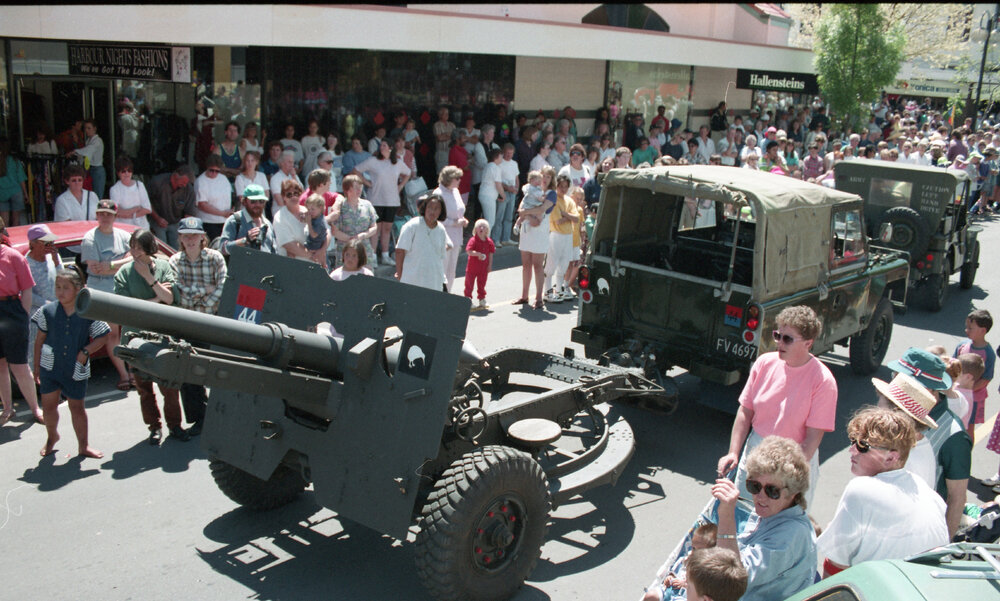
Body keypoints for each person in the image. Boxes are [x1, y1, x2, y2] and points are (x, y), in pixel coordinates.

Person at [717, 305, 836, 506]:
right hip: (756, 452)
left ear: (809, 342)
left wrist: (783, 478)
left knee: (783, 526)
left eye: (787, 339)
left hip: (793, 463)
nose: (779, 342)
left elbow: (812, 439)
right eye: (777, 335)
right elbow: (745, 412)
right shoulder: (764, 363)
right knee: (744, 516)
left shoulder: (823, 381)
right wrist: (733, 452)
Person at [817, 407, 948, 576]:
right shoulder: (927, 492)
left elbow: (835, 563)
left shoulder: (861, 490)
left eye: (862, 446)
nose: (852, 450)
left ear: (891, 458)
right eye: (853, 441)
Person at [712, 436, 817, 601]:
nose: (760, 497)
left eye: (772, 491)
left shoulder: (790, 535)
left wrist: (726, 514)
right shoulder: (773, 512)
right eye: (754, 486)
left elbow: (730, 577)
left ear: (793, 493)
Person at [115, 229, 189, 445]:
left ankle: (174, 425)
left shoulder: (164, 267)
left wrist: (149, 278)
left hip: (163, 336)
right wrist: (156, 299)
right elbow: (127, 308)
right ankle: (154, 427)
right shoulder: (124, 274)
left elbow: (170, 299)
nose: (135, 252)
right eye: (132, 247)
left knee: (170, 387)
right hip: (135, 337)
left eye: (139, 247)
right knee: (144, 389)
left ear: (149, 248)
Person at [888, 347, 969, 540]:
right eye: (895, 376)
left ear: (930, 390)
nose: (894, 383)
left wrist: (940, 547)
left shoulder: (954, 435)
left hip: (917, 534)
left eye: (903, 380)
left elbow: (957, 497)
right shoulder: (895, 413)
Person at [32, 266, 109, 458]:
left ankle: (83, 446)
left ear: (78, 289)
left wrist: (86, 351)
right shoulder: (47, 311)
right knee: (48, 406)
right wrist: (36, 367)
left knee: (77, 407)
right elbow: (39, 340)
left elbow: (103, 336)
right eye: (58, 287)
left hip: (75, 368)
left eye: (65, 287)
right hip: (50, 367)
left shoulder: (88, 312)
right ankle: (52, 436)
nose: (60, 292)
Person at [169, 217, 226, 437]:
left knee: (220, 372)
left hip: (213, 323)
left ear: (203, 236)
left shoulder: (216, 258)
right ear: (180, 238)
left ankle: (221, 416)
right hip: (188, 326)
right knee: (189, 374)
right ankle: (200, 419)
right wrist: (205, 291)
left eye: (194, 235)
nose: (190, 239)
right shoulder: (174, 261)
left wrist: (197, 297)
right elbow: (178, 293)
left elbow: (222, 288)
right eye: (186, 235)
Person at [80, 199, 134, 390]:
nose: (104, 217)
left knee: (128, 331)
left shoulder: (123, 235)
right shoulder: (90, 238)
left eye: (108, 214)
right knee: (112, 333)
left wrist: (112, 265)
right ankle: (124, 375)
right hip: (101, 290)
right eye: (101, 214)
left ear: (114, 216)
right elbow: (96, 268)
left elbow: (134, 257)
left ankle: (134, 372)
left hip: (122, 288)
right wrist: (121, 263)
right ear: (96, 215)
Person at [0, 217, 45, 426]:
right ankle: (8, 408)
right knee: (0, 365)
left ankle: (35, 408)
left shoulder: (13, 256)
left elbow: (26, 289)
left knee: (19, 365)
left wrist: (24, 318)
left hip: (11, 310)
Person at [872, 372, 940, 489]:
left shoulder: (904, 459)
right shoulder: (920, 445)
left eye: (880, 404)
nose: (875, 411)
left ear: (894, 413)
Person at [352, 139, 411, 266]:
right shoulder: (373, 161)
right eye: (381, 145)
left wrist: (400, 186)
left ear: (390, 148)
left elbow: (408, 173)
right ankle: (372, 256)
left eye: (384, 145)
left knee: (387, 228)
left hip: (392, 200)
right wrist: (367, 183)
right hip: (376, 199)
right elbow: (356, 170)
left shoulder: (397, 162)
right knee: (375, 229)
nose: (382, 147)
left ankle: (385, 255)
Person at [514, 166, 557, 309]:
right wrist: (525, 214)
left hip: (540, 231)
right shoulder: (530, 190)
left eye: (548, 177)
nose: (544, 179)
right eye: (542, 175)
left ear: (551, 179)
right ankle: (524, 296)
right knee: (526, 264)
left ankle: (539, 298)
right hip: (527, 230)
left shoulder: (551, 194)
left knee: (538, 265)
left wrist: (526, 212)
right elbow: (520, 209)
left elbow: (541, 209)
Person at [394, 192, 452, 291]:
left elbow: (439, 257)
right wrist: (400, 274)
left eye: (436, 208)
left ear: (441, 211)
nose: (432, 211)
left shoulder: (441, 229)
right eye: (430, 207)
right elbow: (400, 251)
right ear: (424, 208)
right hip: (412, 280)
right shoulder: (412, 225)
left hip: (434, 282)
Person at [953, 309, 994, 442]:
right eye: (967, 327)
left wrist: (968, 390)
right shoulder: (962, 346)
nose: (966, 330)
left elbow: (986, 378)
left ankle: (966, 448)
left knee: (968, 426)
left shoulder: (988, 353)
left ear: (983, 331)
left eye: (970, 328)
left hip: (974, 398)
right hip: (957, 392)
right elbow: (953, 366)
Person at [25, 224, 62, 372]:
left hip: (57, 313)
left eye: (51, 242)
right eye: (46, 243)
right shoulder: (25, 263)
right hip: (37, 318)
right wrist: (47, 304)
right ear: (33, 243)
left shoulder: (54, 258)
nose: (50, 246)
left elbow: (64, 280)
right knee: (38, 355)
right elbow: (26, 293)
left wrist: (57, 263)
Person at [327, 174, 378, 269]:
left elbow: (374, 227)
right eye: (356, 188)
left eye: (360, 187)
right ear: (347, 190)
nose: (359, 190)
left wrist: (363, 235)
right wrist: (351, 240)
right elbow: (335, 231)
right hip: (345, 251)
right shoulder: (340, 207)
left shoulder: (367, 205)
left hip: (364, 250)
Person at [543, 175, 580, 303]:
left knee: (564, 264)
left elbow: (576, 218)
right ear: (556, 186)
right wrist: (567, 217)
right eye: (561, 186)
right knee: (551, 264)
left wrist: (565, 215)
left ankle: (559, 290)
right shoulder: (553, 200)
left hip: (568, 236)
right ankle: (547, 291)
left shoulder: (569, 201)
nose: (563, 189)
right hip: (556, 235)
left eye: (566, 186)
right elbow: (558, 221)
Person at [434, 166, 468, 291]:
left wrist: (462, 220)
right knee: (442, 269)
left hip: (456, 236)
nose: (459, 180)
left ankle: (448, 294)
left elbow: (459, 211)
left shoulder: (456, 191)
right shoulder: (438, 194)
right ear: (448, 179)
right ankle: (438, 295)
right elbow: (435, 218)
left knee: (451, 270)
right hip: (443, 236)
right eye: (457, 178)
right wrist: (454, 222)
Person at [147, 164, 197, 249]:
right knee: (161, 249)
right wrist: (157, 218)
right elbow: (146, 202)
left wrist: (185, 231)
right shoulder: (157, 182)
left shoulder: (188, 189)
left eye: (186, 183)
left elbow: (189, 213)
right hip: (157, 221)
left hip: (176, 223)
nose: (185, 185)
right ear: (176, 176)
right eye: (183, 182)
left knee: (176, 249)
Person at [220, 183, 275, 255]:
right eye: (253, 201)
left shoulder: (268, 224)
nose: (257, 205)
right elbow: (223, 248)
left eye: (261, 201)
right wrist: (245, 240)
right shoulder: (234, 221)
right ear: (244, 202)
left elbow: (274, 253)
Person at [195, 155, 235, 240]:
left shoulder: (223, 178)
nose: (214, 173)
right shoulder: (201, 181)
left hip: (224, 221)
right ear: (207, 168)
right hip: (208, 222)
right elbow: (202, 205)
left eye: (217, 171)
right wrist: (222, 213)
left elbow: (231, 195)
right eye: (211, 170)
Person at [272, 179, 311, 261]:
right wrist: (314, 256)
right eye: (289, 194)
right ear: (283, 197)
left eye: (296, 193)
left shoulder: (308, 211)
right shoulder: (279, 217)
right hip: (293, 266)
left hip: (313, 264)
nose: (293, 197)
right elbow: (290, 245)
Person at [66, 119, 106, 198]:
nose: (87, 131)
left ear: (95, 128)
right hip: (90, 169)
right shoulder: (88, 140)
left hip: (97, 170)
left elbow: (88, 150)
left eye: (89, 128)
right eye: (85, 128)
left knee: (97, 196)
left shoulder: (97, 141)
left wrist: (75, 152)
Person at [109, 156, 152, 228]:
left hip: (141, 228)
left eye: (129, 170)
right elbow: (116, 212)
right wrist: (136, 209)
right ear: (118, 173)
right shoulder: (114, 189)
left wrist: (127, 214)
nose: (127, 173)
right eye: (123, 171)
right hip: (123, 228)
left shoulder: (140, 185)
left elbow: (148, 209)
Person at [464, 218, 495, 309]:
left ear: (487, 230)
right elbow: (469, 251)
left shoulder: (489, 242)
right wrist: (477, 254)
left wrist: (489, 265)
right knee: (469, 284)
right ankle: (468, 299)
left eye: (484, 226)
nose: (481, 228)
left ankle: (482, 299)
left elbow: (491, 254)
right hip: (472, 268)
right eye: (479, 226)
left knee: (482, 284)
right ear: (475, 229)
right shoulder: (473, 240)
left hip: (483, 268)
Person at [0, 138, 28, 227]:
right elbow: (21, 179)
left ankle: (4, 239)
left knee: (4, 221)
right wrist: (26, 194)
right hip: (16, 191)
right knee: (16, 219)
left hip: (2, 193)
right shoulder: (15, 161)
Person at [268, 151, 303, 220]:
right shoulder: (275, 178)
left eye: (293, 162)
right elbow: (280, 201)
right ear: (282, 163)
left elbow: (302, 194)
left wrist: (294, 177)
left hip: (296, 213)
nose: (292, 165)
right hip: (281, 214)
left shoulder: (294, 176)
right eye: (289, 162)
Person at [478, 148, 504, 239]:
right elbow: (498, 184)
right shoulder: (495, 168)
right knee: (490, 221)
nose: (502, 158)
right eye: (501, 156)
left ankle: (483, 239)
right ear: (496, 157)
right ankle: (484, 241)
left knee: (487, 219)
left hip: (485, 194)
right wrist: (503, 195)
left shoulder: (488, 166)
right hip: (488, 196)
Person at [303, 193, 330, 268]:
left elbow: (314, 235)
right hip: (319, 243)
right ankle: (324, 264)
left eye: (312, 209)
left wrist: (308, 223)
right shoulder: (317, 216)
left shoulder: (320, 222)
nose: (310, 211)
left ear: (321, 208)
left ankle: (323, 264)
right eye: (308, 209)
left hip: (315, 245)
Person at [433, 107, 456, 175]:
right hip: (441, 152)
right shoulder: (437, 125)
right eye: (444, 114)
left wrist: (444, 135)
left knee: (451, 173)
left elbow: (455, 137)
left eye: (447, 114)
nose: (446, 115)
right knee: (441, 173)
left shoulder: (452, 125)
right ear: (439, 115)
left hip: (451, 152)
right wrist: (450, 135)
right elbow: (439, 138)